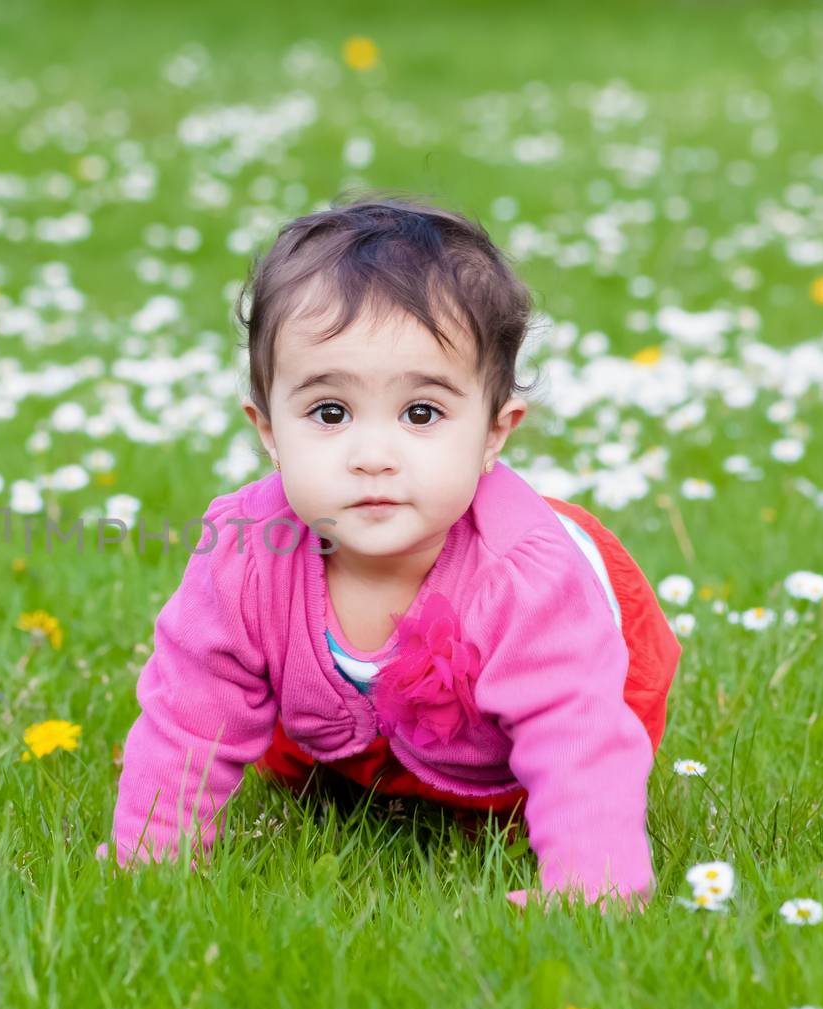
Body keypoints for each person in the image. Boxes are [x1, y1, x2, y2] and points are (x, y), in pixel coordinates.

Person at [98, 194, 681, 911]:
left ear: (496, 432)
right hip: (350, 722)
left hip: (569, 684)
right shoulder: (247, 554)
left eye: (422, 413)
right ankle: (363, 762)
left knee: (554, 764)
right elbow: (192, 711)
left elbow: (578, 735)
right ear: (268, 428)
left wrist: (595, 886)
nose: (373, 455)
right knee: (297, 749)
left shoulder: (526, 579)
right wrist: (152, 858)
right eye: (330, 412)